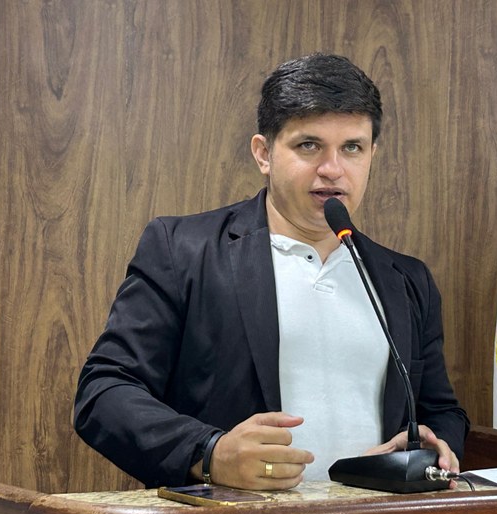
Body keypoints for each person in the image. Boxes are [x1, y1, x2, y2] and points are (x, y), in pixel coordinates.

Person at [74, 53, 469, 490]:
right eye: (309, 146)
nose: (332, 169)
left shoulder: (406, 280)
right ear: (264, 154)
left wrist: (432, 444)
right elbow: (103, 393)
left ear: (372, 154)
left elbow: (441, 412)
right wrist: (209, 453)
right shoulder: (184, 250)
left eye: (352, 148)